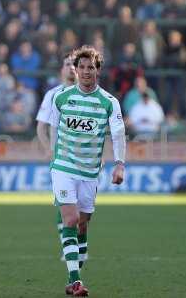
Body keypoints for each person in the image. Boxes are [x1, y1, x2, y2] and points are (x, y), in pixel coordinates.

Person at [49, 45, 126, 296]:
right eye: (80, 67)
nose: (84, 71)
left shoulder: (109, 103)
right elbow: (53, 128)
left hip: (90, 172)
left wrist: (119, 164)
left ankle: (75, 269)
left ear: (97, 70)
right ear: (76, 69)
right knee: (70, 220)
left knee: (82, 225)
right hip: (64, 167)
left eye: (90, 67)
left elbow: (118, 134)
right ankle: (75, 281)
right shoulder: (61, 97)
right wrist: (53, 156)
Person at [35, 52, 78, 275]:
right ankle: (70, 248)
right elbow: (41, 127)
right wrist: (49, 150)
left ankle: (79, 245)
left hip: (83, 159)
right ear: (61, 69)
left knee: (82, 208)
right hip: (61, 159)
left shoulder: (88, 94)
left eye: (74, 64)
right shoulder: (53, 95)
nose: (71, 67)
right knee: (63, 204)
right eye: (67, 64)